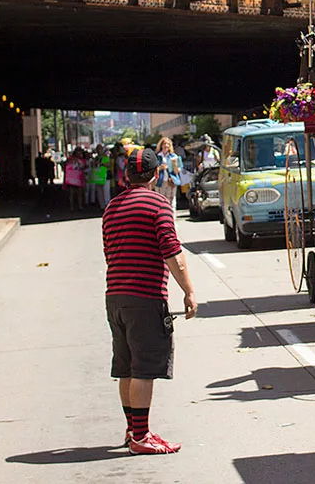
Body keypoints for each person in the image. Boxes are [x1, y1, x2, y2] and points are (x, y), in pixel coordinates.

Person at [103, 147, 196, 455]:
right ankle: (141, 437)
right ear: (156, 175)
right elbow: (172, 252)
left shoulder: (111, 208)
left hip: (115, 297)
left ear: (126, 175)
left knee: (126, 367)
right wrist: (188, 291)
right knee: (144, 368)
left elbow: (109, 252)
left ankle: (133, 429)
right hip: (144, 297)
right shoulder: (157, 204)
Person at [155, 138, 180, 212]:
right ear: (161, 145)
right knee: (161, 201)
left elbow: (176, 172)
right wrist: (160, 168)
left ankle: (172, 217)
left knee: (171, 200)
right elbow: (153, 170)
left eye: (168, 144)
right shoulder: (157, 156)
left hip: (171, 181)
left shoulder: (174, 156)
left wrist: (174, 164)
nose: (166, 145)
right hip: (160, 181)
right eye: (164, 144)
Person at [64, 148, 87, 212]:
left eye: (81, 152)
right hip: (72, 178)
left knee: (79, 192)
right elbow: (66, 166)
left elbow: (84, 167)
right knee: (72, 193)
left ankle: (80, 206)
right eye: (78, 152)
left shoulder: (82, 160)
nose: (80, 154)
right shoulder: (70, 159)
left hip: (79, 178)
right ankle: (71, 206)